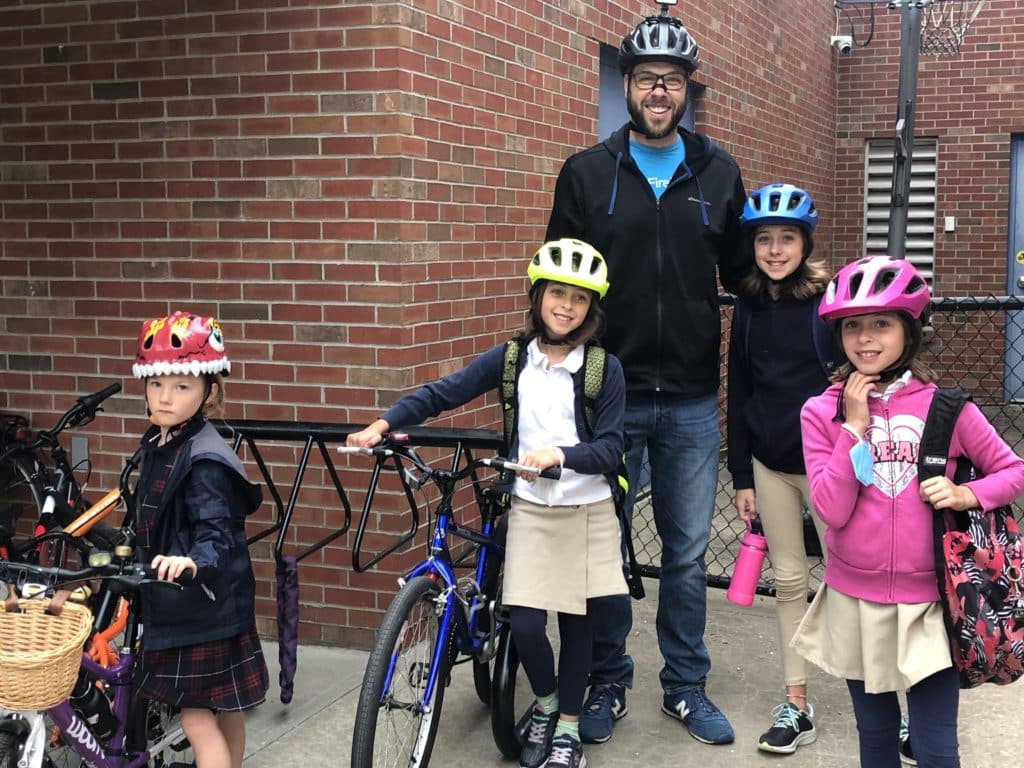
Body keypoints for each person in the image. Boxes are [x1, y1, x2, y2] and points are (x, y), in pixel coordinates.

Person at [545, 9, 750, 746]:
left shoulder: (719, 172)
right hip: (608, 399)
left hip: (693, 397)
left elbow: (748, 277)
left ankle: (686, 686)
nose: (658, 92)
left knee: (688, 554)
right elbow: (558, 295)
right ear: (625, 86)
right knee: (604, 548)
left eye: (670, 81)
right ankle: (606, 680)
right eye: (644, 79)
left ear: (686, 90)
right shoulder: (588, 172)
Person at [346, 239, 628, 768]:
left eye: (579, 299)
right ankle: (545, 705)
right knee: (521, 618)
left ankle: (567, 729)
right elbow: (444, 392)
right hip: (530, 508)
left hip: (585, 509)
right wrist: (386, 423)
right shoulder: (513, 358)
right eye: (557, 294)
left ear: (593, 309)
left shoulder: (602, 369)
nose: (566, 306)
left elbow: (612, 446)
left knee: (576, 624)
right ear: (538, 296)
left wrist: (560, 457)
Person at [795, 256, 1024, 767]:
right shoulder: (821, 412)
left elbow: (1014, 471)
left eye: (882, 323)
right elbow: (830, 509)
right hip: (855, 597)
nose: (865, 338)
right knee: (874, 737)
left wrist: (968, 495)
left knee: (935, 742)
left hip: (934, 600)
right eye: (852, 325)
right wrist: (853, 428)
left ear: (909, 330)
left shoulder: (948, 408)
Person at [727, 183, 842, 754]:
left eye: (787, 238)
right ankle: (796, 705)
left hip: (828, 468)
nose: (775, 249)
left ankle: (887, 700)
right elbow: (741, 387)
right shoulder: (747, 306)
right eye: (764, 239)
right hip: (769, 464)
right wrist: (741, 475)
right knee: (791, 581)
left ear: (805, 243)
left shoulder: (828, 303)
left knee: (856, 584)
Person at [131, 311, 268, 768]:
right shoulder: (162, 440)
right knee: (223, 708)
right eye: (156, 384)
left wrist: (191, 563)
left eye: (181, 386)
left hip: (198, 601)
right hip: (205, 602)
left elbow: (217, 533)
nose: (165, 397)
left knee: (194, 718)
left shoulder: (205, 458)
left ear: (210, 390)